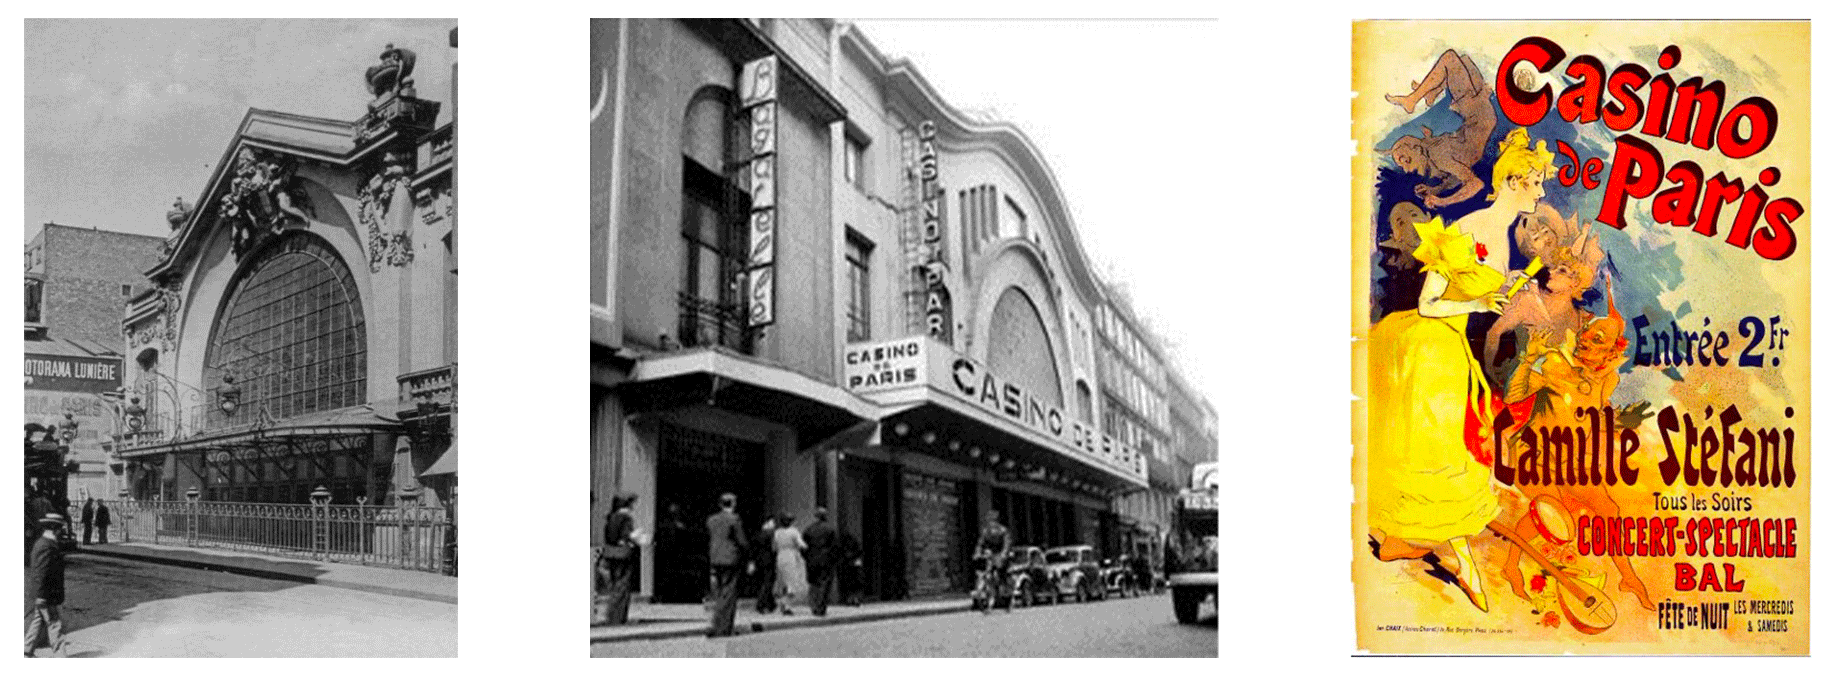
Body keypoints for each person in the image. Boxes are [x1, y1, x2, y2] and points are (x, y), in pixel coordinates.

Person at [704, 493, 747, 637]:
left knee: (719, 593)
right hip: (730, 558)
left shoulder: (711, 519)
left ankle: (716, 624)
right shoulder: (734, 519)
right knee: (729, 594)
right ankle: (724, 628)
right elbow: (741, 541)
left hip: (715, 557)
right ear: (733, 504)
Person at [25, 513, 67, 658]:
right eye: (60, 528)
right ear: (54, 528)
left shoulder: (44, 543)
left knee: (38, 620)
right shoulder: (46, 546)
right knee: (55, 624)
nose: (62, 531)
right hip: (46, 594)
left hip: (44, 593)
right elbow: (41, 573)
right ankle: (60, 656)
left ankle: (26, 649)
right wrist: (41, 595)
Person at [600, 493, 639, 626]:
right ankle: (618, 618)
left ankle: (611, 616)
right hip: (623, 555)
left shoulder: (611, 517)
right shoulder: (626, 518)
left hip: (611, 554)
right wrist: (637, 537)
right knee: (622, 586)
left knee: (615, 585)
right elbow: (626, 536)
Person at [973, 510, 1012, 611]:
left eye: (993, 520)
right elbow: (980, 543)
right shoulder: (986, 532)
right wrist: (977, 553)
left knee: (1001, 575)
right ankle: (986, 593)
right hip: (990, 555)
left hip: (1000, 555)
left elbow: (1006, 544)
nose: (991, 522)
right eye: (989, 520)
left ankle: (1006, 596)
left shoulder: (1003, 531)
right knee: (986, 572)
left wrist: (1004, 554)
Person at [802, 507, 837, 617]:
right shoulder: (830, 529)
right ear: (825, 516)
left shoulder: (808, 530)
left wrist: (807, 557)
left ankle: (814, 606)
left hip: (811, 560)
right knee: (824, 584)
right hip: (825, 560)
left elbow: (803, 546)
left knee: (813, 584)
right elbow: (834, 547)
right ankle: (820, 607)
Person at [772, 512, 808, 615]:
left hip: (780, 556)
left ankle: (782, 602)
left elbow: (774, 547)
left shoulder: (777, 532)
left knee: (782, 581)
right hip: (791, 556)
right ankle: (786, 604)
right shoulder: (793, 531)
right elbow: (801, 544)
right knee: (792, 582)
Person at [751, 516, 778, 614]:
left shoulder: (757, 534)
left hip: (759, 561)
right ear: (768, 523)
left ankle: (771, 604)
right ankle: (761, 604)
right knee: (768, 583)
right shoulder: (771, 534)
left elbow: (753, 549)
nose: (774, 525)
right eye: (772, 522)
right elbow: (774, 548)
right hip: (769, 561)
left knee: (764, 582)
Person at [838, 531, 864, 606]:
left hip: (847, 566)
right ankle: (855, 599)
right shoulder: (855, 547)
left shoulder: (842, 546)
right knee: (855, 584)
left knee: (848, 584)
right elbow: (859, 552)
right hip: (853, 566)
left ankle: (850, 599)